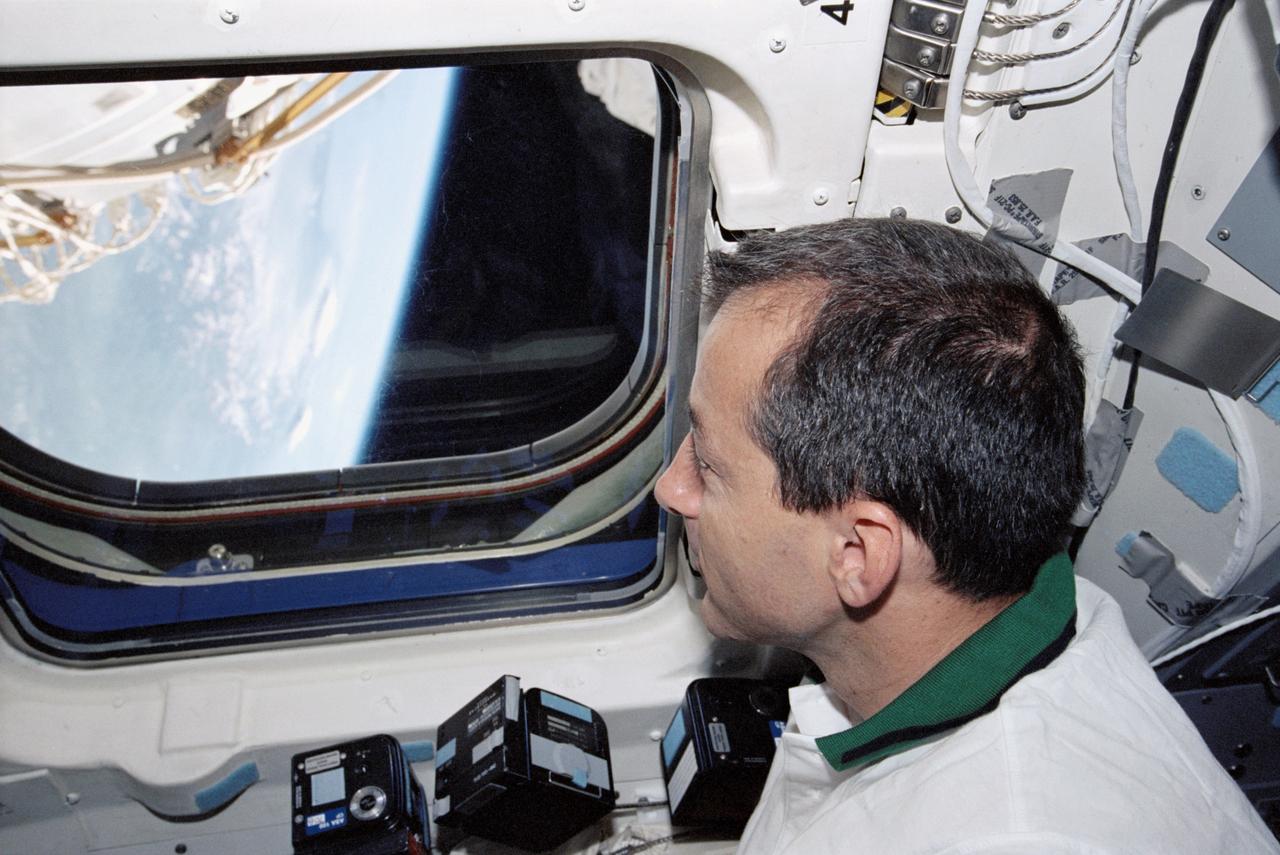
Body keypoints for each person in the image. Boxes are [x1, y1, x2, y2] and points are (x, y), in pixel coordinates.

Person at [654, 219, 1278, 854]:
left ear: (858, 553)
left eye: (707, 463)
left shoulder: (1012, 836)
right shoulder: (1019, 625)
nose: (670, 490)